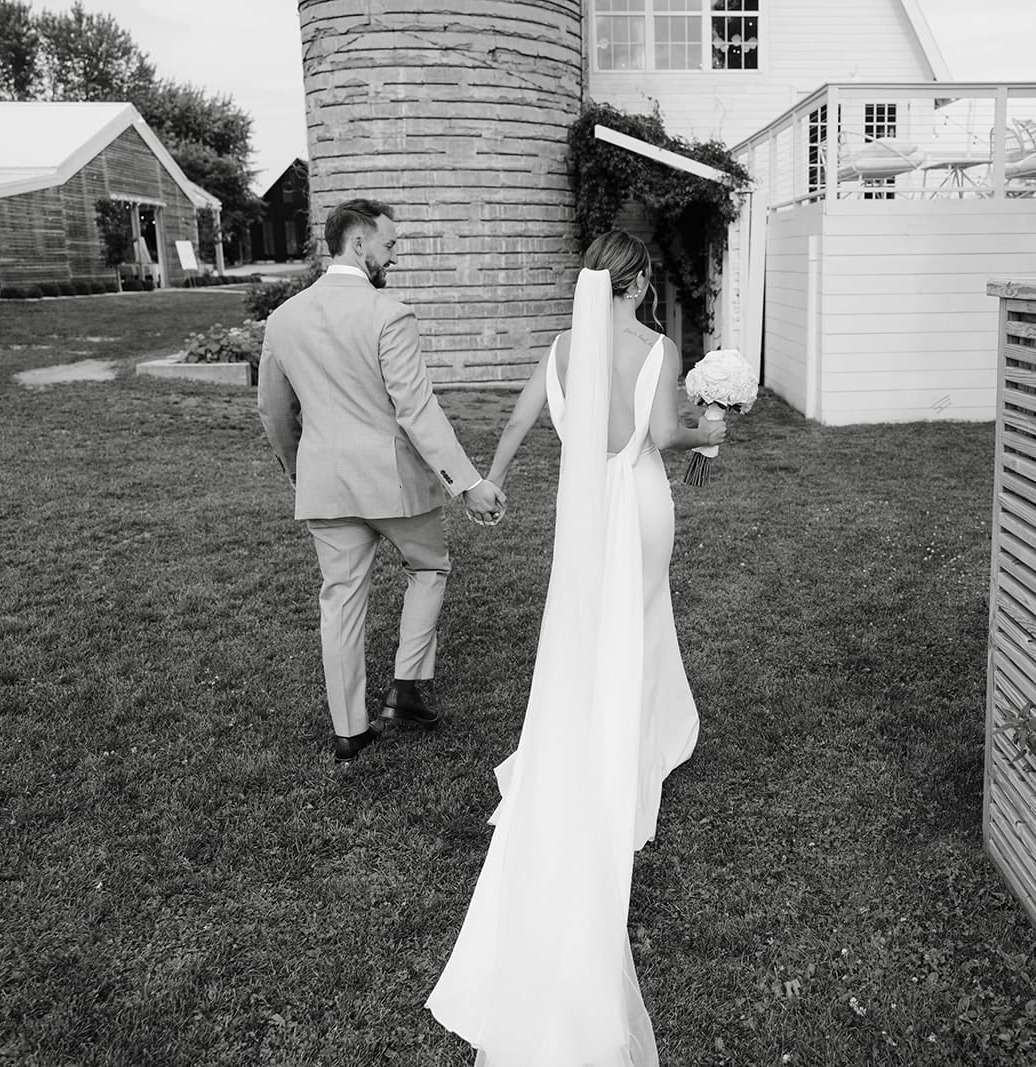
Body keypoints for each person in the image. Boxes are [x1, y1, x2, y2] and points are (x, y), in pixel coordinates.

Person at [426, 231, 725, 1065]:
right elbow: (662, 432)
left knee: (594, 629)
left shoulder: (562, 347)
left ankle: (640, 729)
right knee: (639, 622)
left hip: (583, 518)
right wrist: (712, 431)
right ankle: (632, 749)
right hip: (638, 507)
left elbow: (523, 416)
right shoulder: (653, 347)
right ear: (632, 285)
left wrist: (493, 479)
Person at [256, 199, 506, 764]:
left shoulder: (284, 317)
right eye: (390, 245)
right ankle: (408, 687)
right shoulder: (388, 314)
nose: (394, 255)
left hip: (324, 485)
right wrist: (467, 484)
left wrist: (301, 471)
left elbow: (273, 412)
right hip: (391, 484)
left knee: (340, 600)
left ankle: (351, 730)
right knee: (429, 566)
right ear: (358, 244)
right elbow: (416, 409)